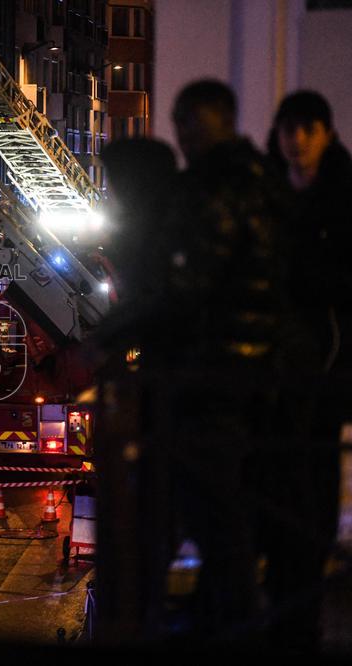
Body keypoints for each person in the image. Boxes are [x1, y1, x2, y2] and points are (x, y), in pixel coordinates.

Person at [163, 80, 305, 643]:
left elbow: (195, 285)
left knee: (212, 507)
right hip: (259, 371)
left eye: (183, 123)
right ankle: (230, 613)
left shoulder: (213, 189)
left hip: (216, 373)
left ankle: (229, 620)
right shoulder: (264, 181)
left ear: (204, 123)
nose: (179, 136)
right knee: (232, 507)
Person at [264, 90, 352, 649]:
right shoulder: (268, 193)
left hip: (326, 362)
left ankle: (302, 605)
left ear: (326, 133)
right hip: (275, 368)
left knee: (314, 477)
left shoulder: (344, 194)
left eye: (307, 128)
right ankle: (285, 600)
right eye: (288, 128)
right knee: (276, 481)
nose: (296, 140)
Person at [94, 138, 180, 642]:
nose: (111, 196)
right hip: (169, 396)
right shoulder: (159, 230)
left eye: (116, 185)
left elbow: (151, 303)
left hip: (174, 399)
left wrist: (103, 342)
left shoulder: (154, 237)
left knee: (160, 519)